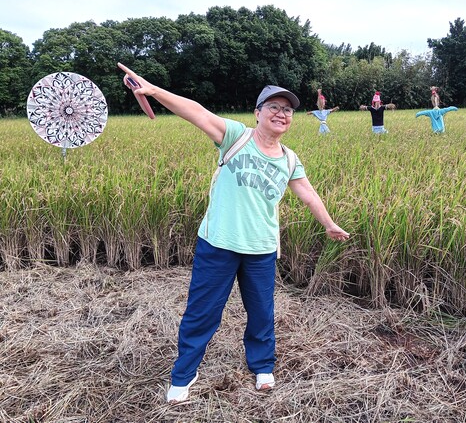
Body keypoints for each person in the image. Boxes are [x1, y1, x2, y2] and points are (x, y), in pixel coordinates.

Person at [116, 63, 350, 403]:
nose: (281, 114)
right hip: (219, 244)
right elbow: (197, 112)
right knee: (202, 312)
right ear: (258, 113)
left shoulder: (289, 159)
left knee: (262, 312)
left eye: (287, 110)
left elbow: (308, 193)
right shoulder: (236, 136)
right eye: (274, 107)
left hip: (261, 249)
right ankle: (184, 374)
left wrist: (328, 223)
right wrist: (154, 91)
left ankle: (262, 366)